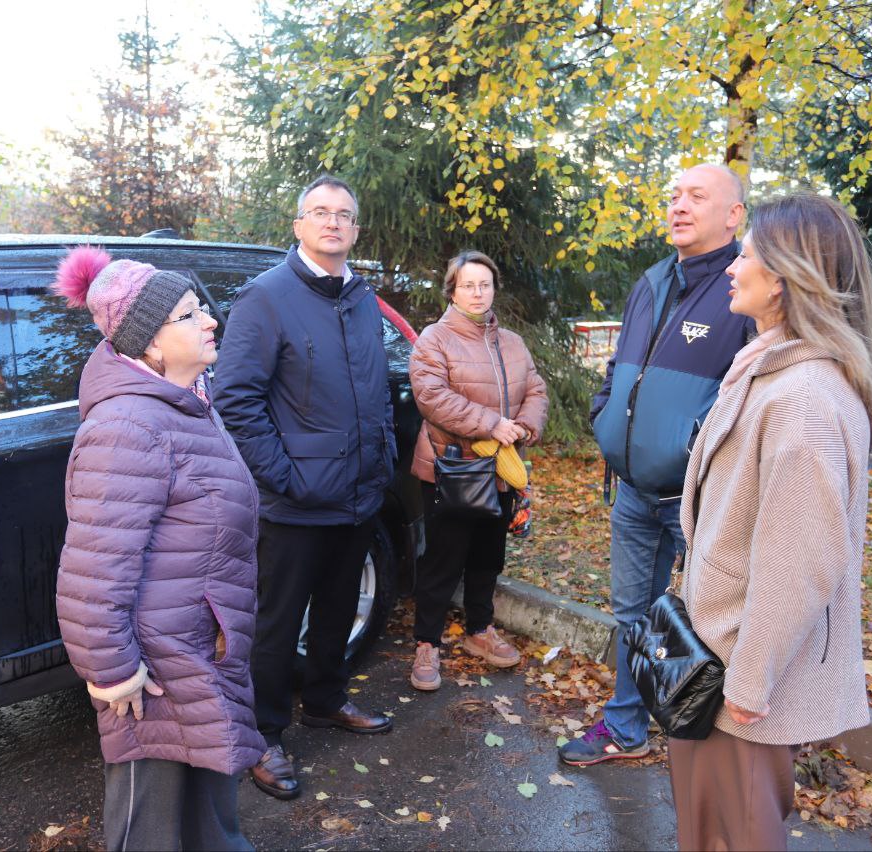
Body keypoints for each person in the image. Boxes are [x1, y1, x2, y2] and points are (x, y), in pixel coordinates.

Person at [670, 194, 872, 850]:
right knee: (710, 823)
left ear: (786, 277)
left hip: (739, 679)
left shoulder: (804, 399)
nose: (733, 266)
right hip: (717, 653)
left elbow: (800, 563)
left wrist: (750, 678)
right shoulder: (770, 365)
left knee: (733, 833)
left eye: (748, 254)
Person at [51, 246, 264, 852]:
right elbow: (93, 570)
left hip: (199, 642)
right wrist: (114, 671)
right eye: (190, 315)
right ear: (149, 344)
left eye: (202, 309)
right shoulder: (127, 428)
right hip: (157, 668)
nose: (210, 321)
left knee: (207, 802)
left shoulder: (187, 401)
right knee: (153, 825)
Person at [561, 164, 754, 766]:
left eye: (697, 196)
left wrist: (694, 445)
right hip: (634, 491)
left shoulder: (748, 286)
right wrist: (604, 416)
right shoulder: (649, 282)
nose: (679, 205)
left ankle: (710, 746)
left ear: (734, 215)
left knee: (710, 626)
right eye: (674, 195)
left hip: (698, 500)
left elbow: (755, 396)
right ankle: (626, 726)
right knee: (633, 615)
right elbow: (623, 367)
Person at [213, 175, 396, 801]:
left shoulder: (362, 297)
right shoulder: (266, 298)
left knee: (340, 610)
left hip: (359, 493)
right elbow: (235, 399)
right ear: (298, 226)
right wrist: (285, 476)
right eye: (320, 212)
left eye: (344, 214)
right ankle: (263, 734)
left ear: (355, 230)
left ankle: (324, 700)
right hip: (294, 502)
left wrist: (385, 459)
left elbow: (375, 390)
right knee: (276, 622)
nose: (333, 223)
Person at [407, 251, 548, 691]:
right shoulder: (436, 338)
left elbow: (536, 388)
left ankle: (479, 631)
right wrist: (491, 424)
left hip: (501, 470)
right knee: (443, 560)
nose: (477, 292)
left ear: (493, 289)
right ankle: (426, 643)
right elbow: (430, 396)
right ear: (452, 289)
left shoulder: (512, 342)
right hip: (453, 468)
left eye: (484, 284)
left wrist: (525, 425)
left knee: (488, 557)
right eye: (468, 284)